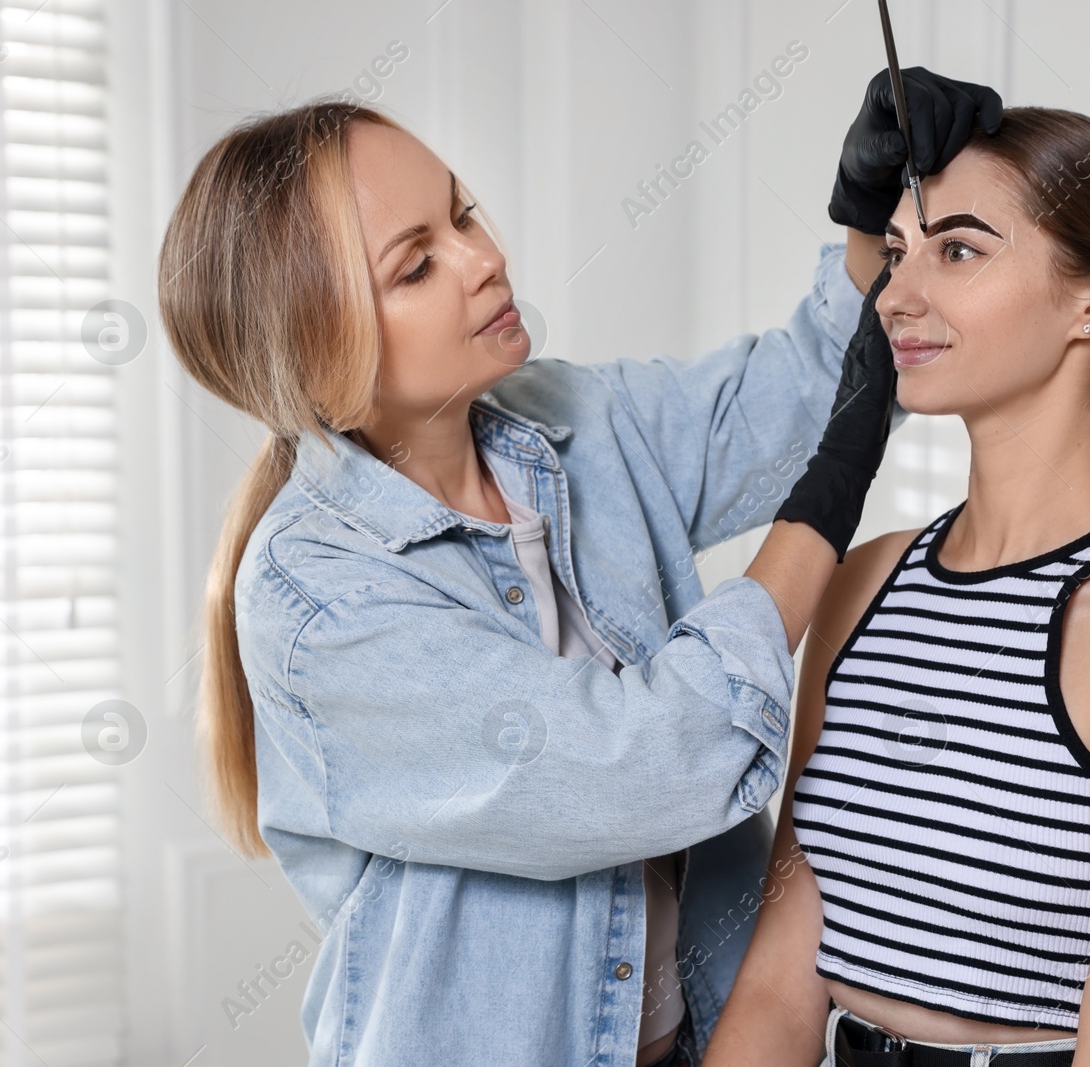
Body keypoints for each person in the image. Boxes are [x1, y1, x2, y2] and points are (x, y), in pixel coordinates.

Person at [156, 69, 1000, 1067]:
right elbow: (644, 764)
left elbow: (799, 396)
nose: (484, 257)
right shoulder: (321, 601)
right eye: (416, 264)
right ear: (314, 341)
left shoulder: (575, 423)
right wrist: (817, 519)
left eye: (463, 213)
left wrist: (869, 218)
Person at [705, 107, 1090, 1067]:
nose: (892, 297)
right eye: (896, 250)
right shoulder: (864, 583)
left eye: (958, 251)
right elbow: (776, 988)